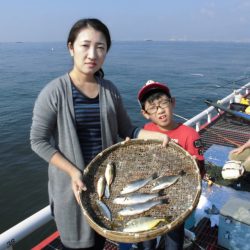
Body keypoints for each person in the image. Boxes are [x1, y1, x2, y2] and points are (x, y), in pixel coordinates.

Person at [30, 19, 169, 249]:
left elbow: (127, 130)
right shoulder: (53, 92)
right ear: (71, 47)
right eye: (85, 45)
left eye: (101, 47)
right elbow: (38, 141)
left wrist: (155, 135)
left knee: (99, 241)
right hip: (71, 188)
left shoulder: (109, 90)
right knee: (76, 244)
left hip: (104, 186)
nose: (92, 54)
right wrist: (73, 171)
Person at [135, 80, 205, 250]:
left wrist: (192, 166)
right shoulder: (146, 129)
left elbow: (200, 171)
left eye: (163, 103)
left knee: (174, 239)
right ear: (145, 113)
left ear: (172, 103)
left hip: (177, 198)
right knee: (146, 238)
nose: (160, 110)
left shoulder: (190, 135)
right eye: (153, 107)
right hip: (151, 193)